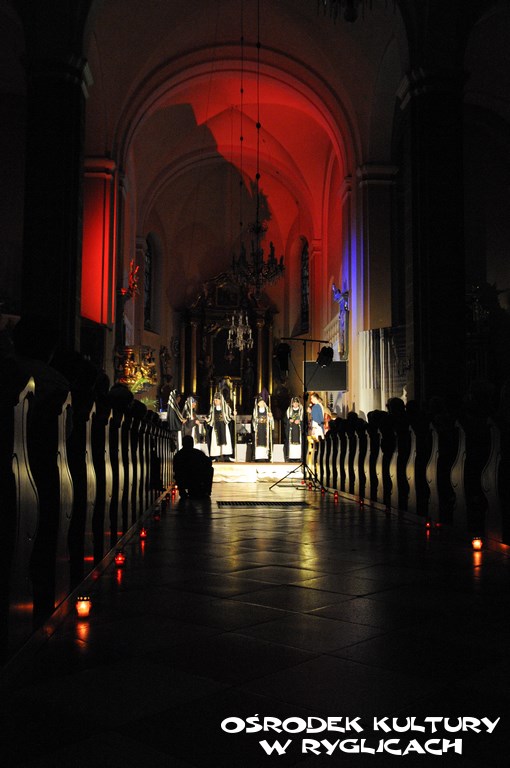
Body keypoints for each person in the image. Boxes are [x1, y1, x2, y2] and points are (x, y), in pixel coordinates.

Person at [173, 435, 214, 499]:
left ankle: (182, 491)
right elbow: (209, 463)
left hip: (183, 480)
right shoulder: (197, 453)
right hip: (196, 479)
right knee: (210, 469)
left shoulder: (178, 455)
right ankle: (206, 491)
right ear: (192, 444)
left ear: (182, 444)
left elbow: (175, 469)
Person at [206, 390, 235, 461]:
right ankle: (216, 456)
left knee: (226, 440)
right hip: (216, 426)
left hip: (224, 426)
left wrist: (234, 414)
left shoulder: (226, 408)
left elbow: (229, 416)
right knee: (215, 441)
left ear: (221, 400)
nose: (215, 401)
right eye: (214, 400)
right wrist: (208, 420)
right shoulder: (212, 409)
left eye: (217, 400)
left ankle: (226, 456)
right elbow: (210, 417)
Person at [252, 395, 274, 461]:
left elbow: (271, 421)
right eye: (261, 402)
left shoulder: (267, 410)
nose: (262, 403)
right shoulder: (256, 411)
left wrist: (270, 416)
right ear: (258, 404)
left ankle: (266, 457)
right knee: (258, 442)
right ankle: (258, 457)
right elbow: (253, 420)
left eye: (263, 402)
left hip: (265, 429)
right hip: (258, 429)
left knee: (265, 442)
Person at [285, 396, 303, 461]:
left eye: (296, 403)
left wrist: (300, 421)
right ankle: (291, 457)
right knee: (290, 442)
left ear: (298, 403)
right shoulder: (289, 410)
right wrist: (289, 421)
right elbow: (285, 420)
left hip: (298, 430)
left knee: (299, 442)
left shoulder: (301, 410)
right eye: (294, 403)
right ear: (292, 404)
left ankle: (299, 457)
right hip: (291, 430)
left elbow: (304, 420)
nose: (295, 404)